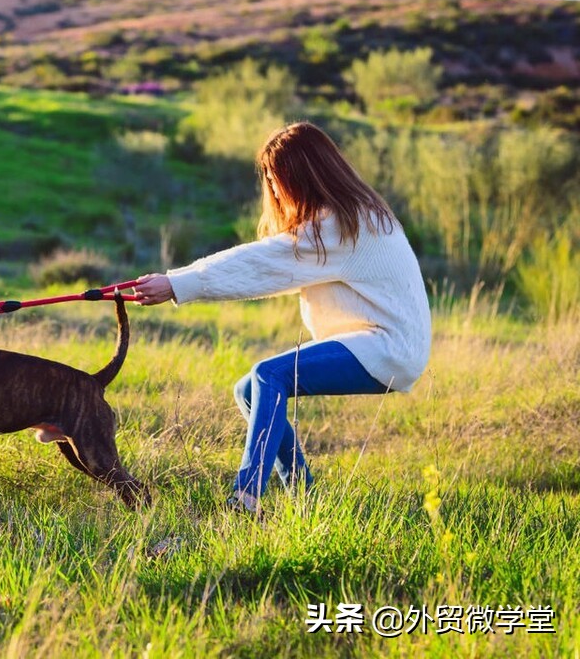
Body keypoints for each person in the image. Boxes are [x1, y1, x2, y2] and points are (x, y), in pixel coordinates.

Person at [134, 122, 431, 516]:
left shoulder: (342, 226)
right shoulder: (346, 217)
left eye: (276, 179)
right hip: (377, 341)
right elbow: (266, 260)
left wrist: (176, 284)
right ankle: (305, 496)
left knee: (267, 374)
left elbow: (260, 262)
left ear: (303, 175)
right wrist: (176, 282)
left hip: (389, 346)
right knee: (249, 390)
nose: (273, 190)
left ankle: (246, 496)